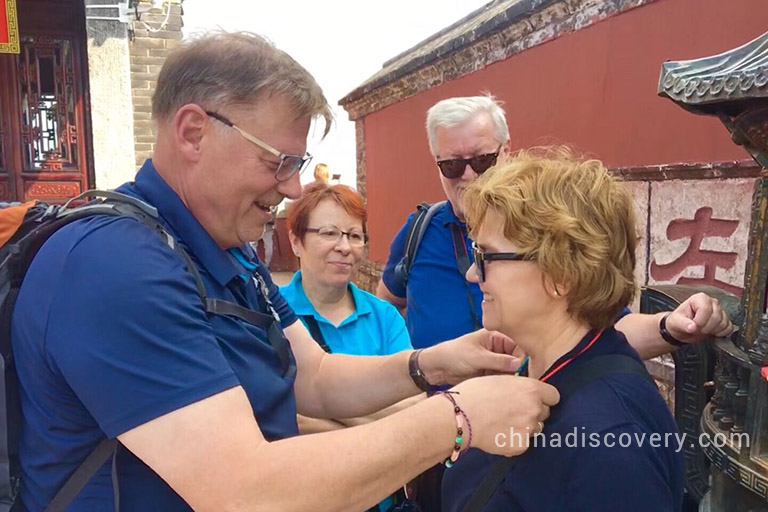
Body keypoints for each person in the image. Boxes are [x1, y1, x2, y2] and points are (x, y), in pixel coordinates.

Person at [11, 32, 559, 511]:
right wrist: (457, 419)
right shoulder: (115, 268)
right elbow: (243, 491)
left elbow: (313, 378)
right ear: (194, 132)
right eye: (280, 162)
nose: (294, 188)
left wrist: (431, 364)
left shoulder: (228, 252)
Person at [377, 95, 733, 356]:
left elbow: (609, 327)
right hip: (439, 436)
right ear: (436, 162)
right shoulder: (418, 232)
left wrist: (670, 327)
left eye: (483, 160)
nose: (469, 177)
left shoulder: (546, 228)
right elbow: (388, 304)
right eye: (452, 165)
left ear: (507, 151)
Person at [443, 148, 687, 511]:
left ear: (560, 275)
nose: (472, 274)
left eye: (486, 257)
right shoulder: (544, 370)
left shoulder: (610, 442)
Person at [281, 182, 415, 511]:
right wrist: (377, 419)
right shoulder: (269, 315)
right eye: (329, 233)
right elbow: (276, 418)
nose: (345, 247)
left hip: (380, 499)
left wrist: (317, 414)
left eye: (354, 236)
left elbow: (412, 414)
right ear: (296, 241)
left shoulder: (385, 317)